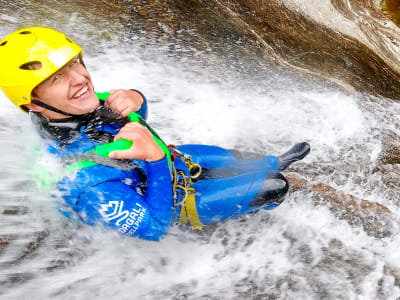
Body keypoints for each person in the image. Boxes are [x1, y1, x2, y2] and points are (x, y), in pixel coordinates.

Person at [0, 27, 310, 241]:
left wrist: (136, 97)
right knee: (274, 187)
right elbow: (154, 228)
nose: (80, 78)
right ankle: (250, 219)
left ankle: (271, 163)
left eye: (74, 64)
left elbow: (133, 117)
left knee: (260, 163)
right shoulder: (83, 184)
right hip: (168, 205)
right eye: (57, 77)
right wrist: (157, 158)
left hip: (160, 165)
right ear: (31, 103)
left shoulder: (68, 109)